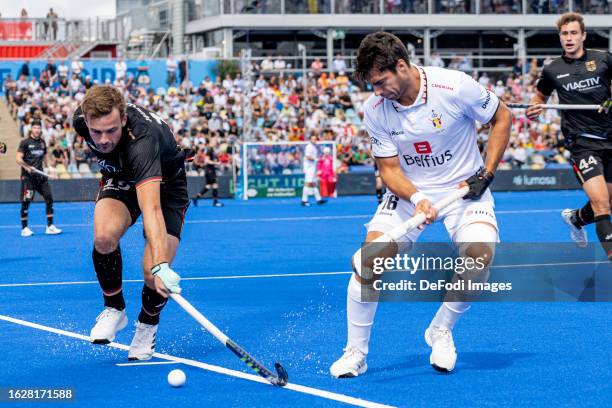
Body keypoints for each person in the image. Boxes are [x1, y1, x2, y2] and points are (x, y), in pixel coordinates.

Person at [329, 31, 511, 377]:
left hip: (464, 190)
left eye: (382, 82)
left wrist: (486, 174)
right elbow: (389, 170)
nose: (378, 92)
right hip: (409, 193)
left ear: (401, 66)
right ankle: (356, 352)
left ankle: (440, 329)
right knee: (369, 263)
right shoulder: (375, 109)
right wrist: (418, 198)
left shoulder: (454, 86)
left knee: (480, 258)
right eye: (372, 86)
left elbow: (502, 117)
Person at [72, 85, 189, 360]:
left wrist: (161, 265)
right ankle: (114, 309)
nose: (102, 140)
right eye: (96, 131)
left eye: (111, 130)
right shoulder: (80, 120)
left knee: (152, 273)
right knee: (103, 237)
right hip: (123, 177)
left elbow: (152, 209)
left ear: (123, 119)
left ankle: (147, 327)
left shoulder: (142, 140)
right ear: (86, 121)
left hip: (166, 189)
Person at [526, 13, 612, 255]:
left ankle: (576, 219)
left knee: (607, 203)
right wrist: (535, 108)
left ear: (583, 35)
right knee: (602, 204)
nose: (569, 38)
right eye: (565, 34)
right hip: (582, 143)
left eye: (574, 33)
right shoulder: (553, 68)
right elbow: (540, 96)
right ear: (560, 37)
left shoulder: (603, 59)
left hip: (610, 137)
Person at [15, 120, 62, 237]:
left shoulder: (42, 142)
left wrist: (51, 168)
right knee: (26, 202)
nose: (37, 130)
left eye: (39, 128)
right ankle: (24, 228)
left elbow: (45, 158)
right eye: (35, 128)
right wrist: (27, 167)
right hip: (28, 178)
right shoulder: (25, 142)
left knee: (49, 198)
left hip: (40, 177)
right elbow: (18, 158)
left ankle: (50, 226)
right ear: (31, 129)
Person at [301, 134, 326, 206]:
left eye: (315, 139)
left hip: (313, 167)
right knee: (307, 183)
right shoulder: (309, 147)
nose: (314, 140)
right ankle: (304, 200)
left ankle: (319, 199)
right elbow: (308, 157)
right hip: (309, 168)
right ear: (310, 140)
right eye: (313, 139)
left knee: (314, 183)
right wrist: (316, 159)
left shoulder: (314, 147)